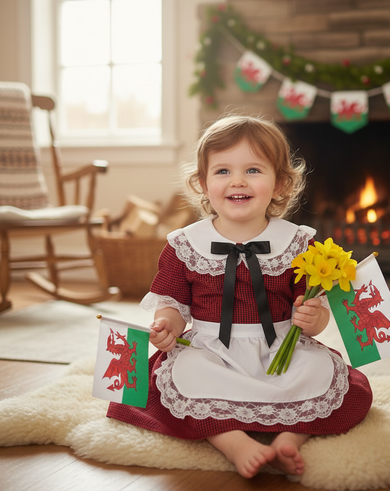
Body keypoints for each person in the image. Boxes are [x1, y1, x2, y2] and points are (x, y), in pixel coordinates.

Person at [107, 114, 372, 479]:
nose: (237, 181)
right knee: (177, 373)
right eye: (222, 172)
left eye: (252, 170)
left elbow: (315, 307)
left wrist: (315, 318)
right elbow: (172, 304)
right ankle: (233, 441)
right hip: (211, 349)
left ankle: (289, 439)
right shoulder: (185, 246)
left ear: (280, 184)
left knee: (335, 378)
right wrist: (166, 325)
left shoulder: (298, 242)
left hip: (281, 347)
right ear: (202, 183)